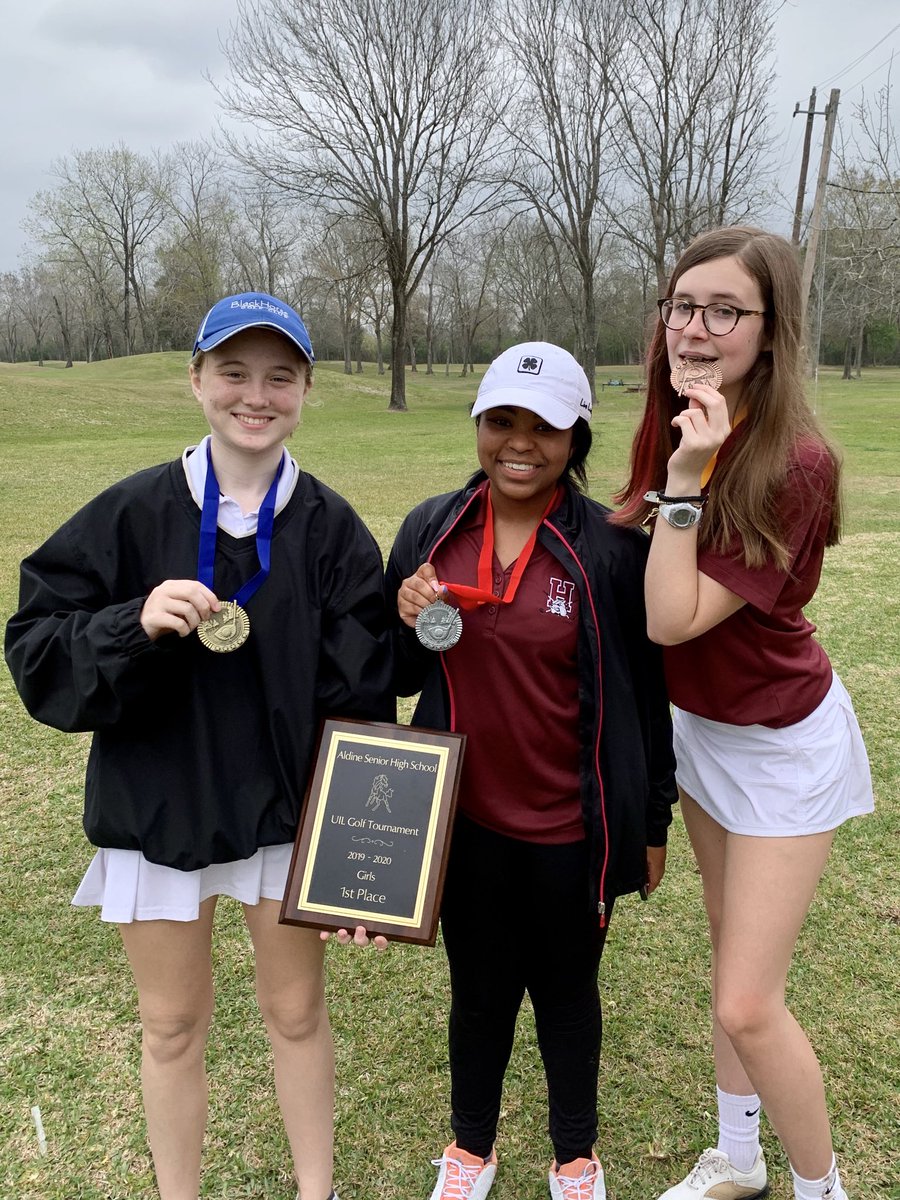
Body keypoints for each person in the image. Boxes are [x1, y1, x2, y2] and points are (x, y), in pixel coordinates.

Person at [4, 292, 394, 1200]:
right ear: (195, 380)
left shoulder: (331, 530)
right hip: (161, 807)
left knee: (296, 1013)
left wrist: (361, 862)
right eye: (233, 373)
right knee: (171, 1025)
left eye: (279, 377)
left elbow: (364, 697)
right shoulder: (132, 511)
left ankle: (315, 1190)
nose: (255, 396)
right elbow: (34, 650)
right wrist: (129, 624)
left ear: (304, 391)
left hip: (281, 822)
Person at [614, 227, 874, 1200]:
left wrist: (685, 482)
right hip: (700, 736)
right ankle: (738, 1159)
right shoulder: (680, 416)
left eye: (725, 311)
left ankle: (824, 1190)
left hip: (781, 748)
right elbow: (624, 548)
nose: (695, 327)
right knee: (730, 959)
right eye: (682, 305)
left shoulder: (792, 459)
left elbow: (671, 616)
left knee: (748, 1000)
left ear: (771, 331)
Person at [385, 342, 678, 1200]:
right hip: (467, 825)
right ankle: (469, 1150)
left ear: (576, 437)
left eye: (545, 427)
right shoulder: (432, 530)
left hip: (569, 833)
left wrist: (651, 822)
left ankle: (575, 1157)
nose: (520, 442)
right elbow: (396, 678)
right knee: (477, 998)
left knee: (567, 999)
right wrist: (404, 614)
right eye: (501, 421)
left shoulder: (614, 550)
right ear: (478, 425)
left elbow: (646, 699)